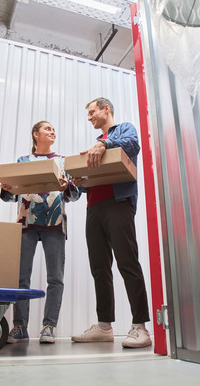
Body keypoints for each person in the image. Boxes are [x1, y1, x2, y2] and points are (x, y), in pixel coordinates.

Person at [70, 97, 152, 349]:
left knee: (127, 262)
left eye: (92, 111)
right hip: (93, 207)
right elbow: (91, 181)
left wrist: (104, 143)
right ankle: (104, 326)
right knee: (99, 268)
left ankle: (140, 327)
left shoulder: (123, 129)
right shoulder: (96, 145)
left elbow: (132, 145)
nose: (89, 117)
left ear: (107, 109)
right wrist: (77, 182)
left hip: (118, 204)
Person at [0, 120, 81, 344]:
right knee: (20, 278)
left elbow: (74, 196)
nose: (53, 131)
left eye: (54, 129)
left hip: (54, 224)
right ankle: (20, 327)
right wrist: (6, 188)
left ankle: (49, 327)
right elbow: (11, 196)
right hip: (26, 223)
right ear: (36, 134)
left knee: (55, 278)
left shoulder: (63, 161)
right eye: (47, 129)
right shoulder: (23, 161)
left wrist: (68, 187)